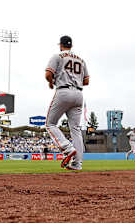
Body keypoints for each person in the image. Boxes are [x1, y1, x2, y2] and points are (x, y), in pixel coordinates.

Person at [45, 35, 90, 171]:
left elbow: (48, 74)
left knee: (50, 124)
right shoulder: (81, 60)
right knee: (75, 129)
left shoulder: (57, 56)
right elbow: (86, 81)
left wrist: (52, 82)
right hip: (78, 94)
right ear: (71, 45)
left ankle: (67, 148)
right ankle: (77, 164)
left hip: (63, 91)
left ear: (60, 45)